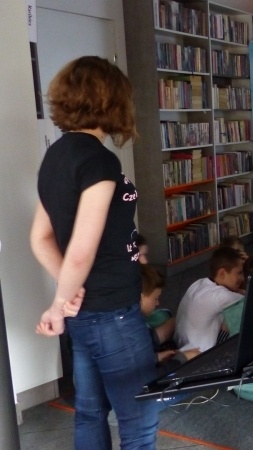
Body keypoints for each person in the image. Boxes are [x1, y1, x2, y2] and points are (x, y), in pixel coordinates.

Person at [30, 55, 159, 448]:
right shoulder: (99, 161)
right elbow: (81, 252)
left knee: (89, 411)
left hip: (88, 312)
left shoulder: (56, 155)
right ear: (111, 102)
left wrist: (70, 297)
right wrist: (60, 301)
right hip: (112, 314)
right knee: (139, 422)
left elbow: (40, 238)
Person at [174, 246, 245, 352]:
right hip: (201, 355)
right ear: (222, 274)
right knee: (239, 314)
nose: (242, 278)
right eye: (239, 273)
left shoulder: (199, 283)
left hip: (181, 346)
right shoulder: (220, 296)